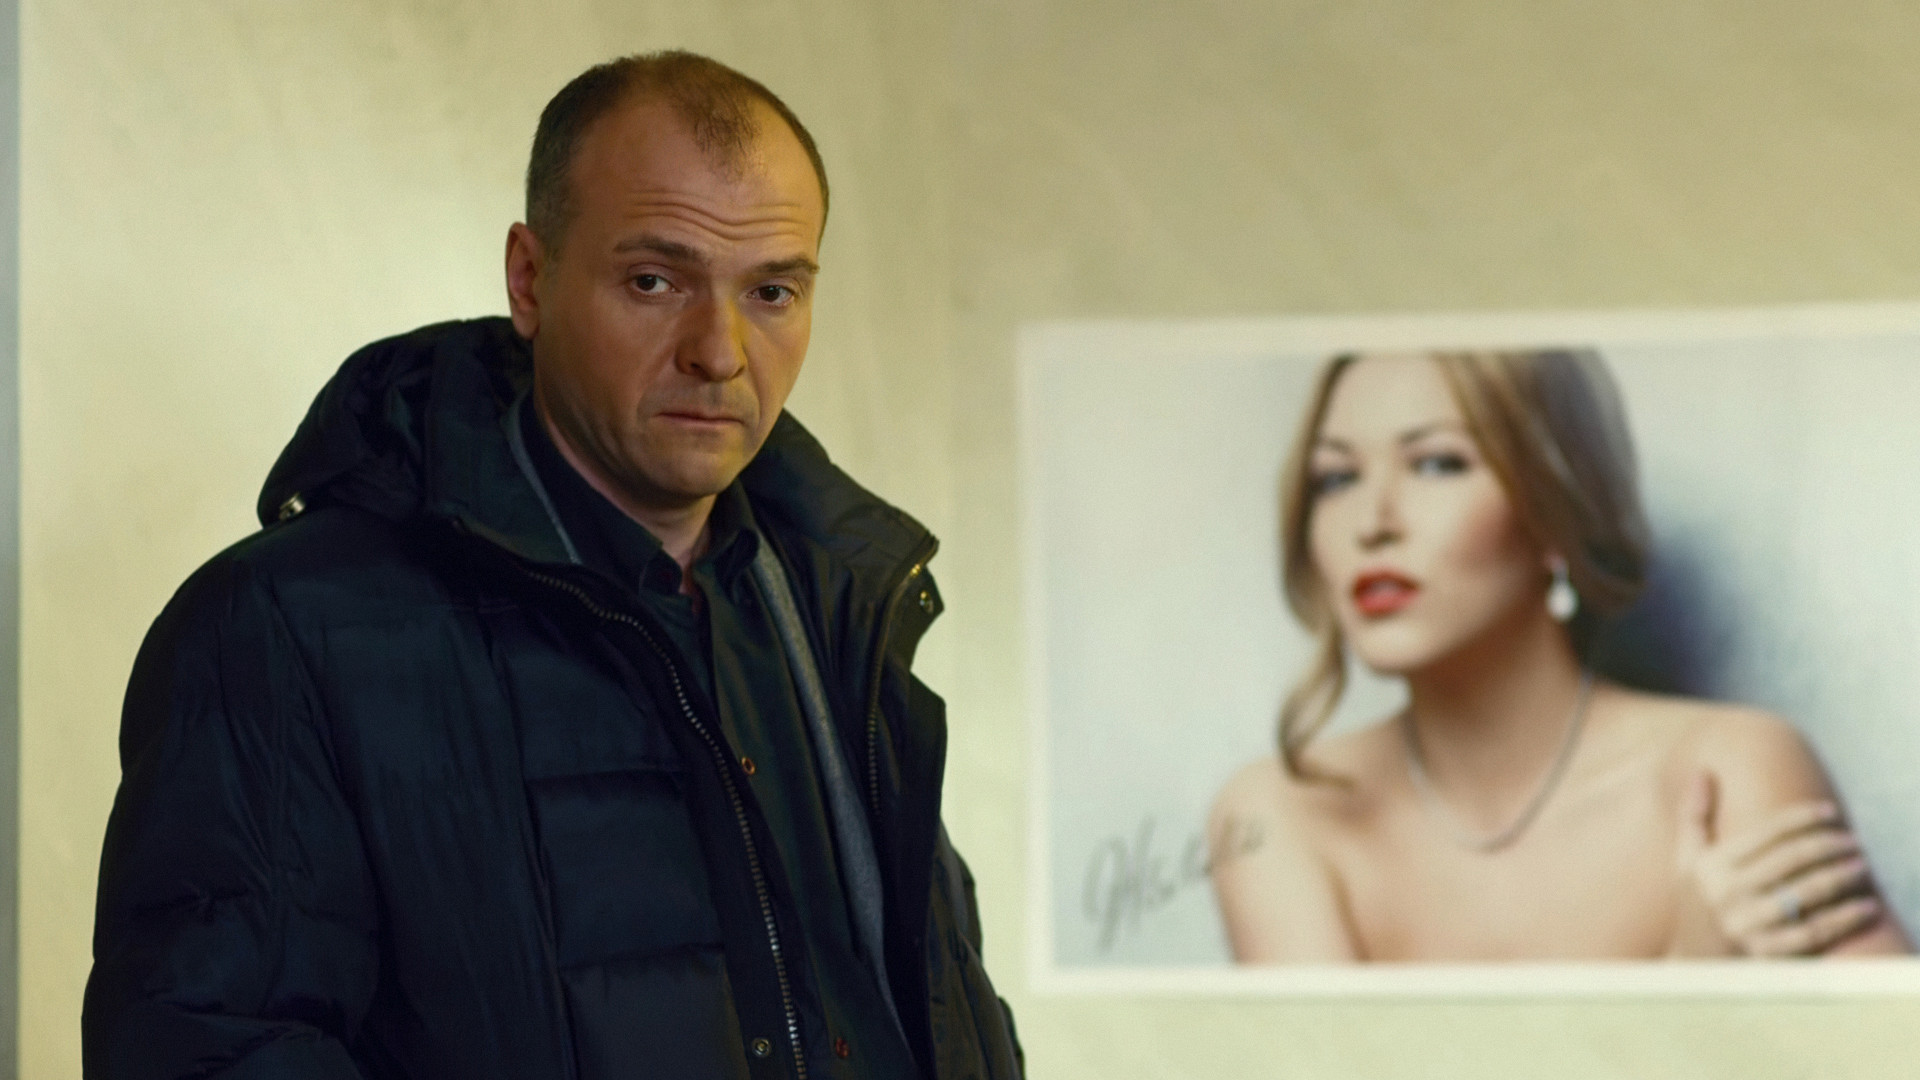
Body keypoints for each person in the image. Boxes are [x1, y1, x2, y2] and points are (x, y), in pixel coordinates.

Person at [82, 51, 1022, 1079]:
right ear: (530, 279)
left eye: (771, 291)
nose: (720, 352)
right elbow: (211, 1052)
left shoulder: (843, 609)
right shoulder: (286, 628)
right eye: (655, 280)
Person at [1208, 349, 1911, 962]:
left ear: (1554, 508)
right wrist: (1689, 989)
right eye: (1336, 478)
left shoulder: (1724, 773)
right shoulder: (1277, 816)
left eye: (1437, 464)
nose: (1372, 523)